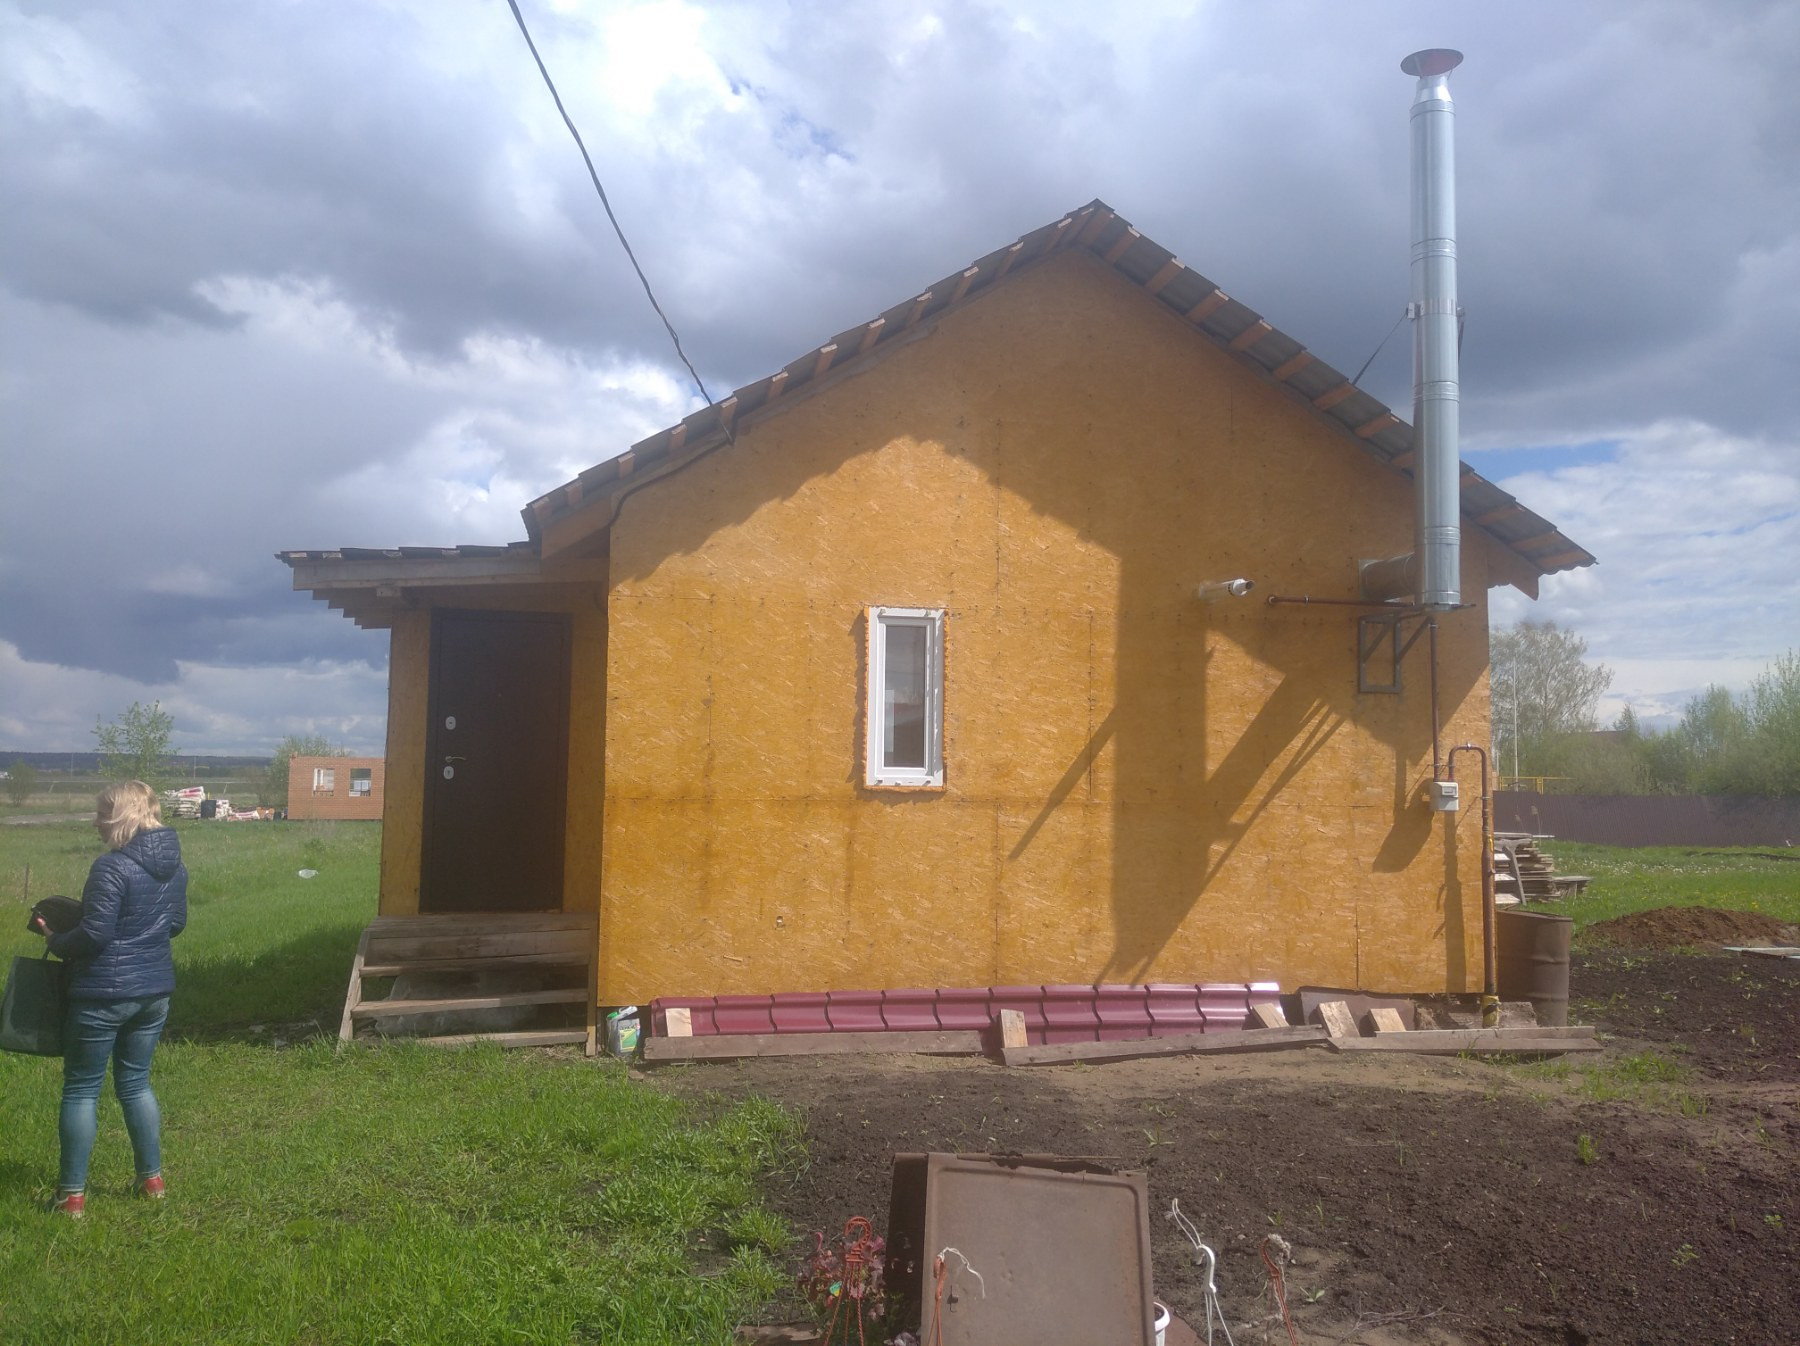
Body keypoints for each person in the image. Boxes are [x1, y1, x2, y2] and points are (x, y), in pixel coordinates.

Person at [31, 780, 187, 1218]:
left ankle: (71, 1197)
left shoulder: (110, 867)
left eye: (102, 813)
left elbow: (95, 935)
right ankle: (151, 1181)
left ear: (122, 816)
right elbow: (175, 924)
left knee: (81, 1089)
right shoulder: (176, 868)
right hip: (154, 993)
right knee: (135, 1084)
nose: (96, 821)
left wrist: (54, 938)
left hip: (103, 994)